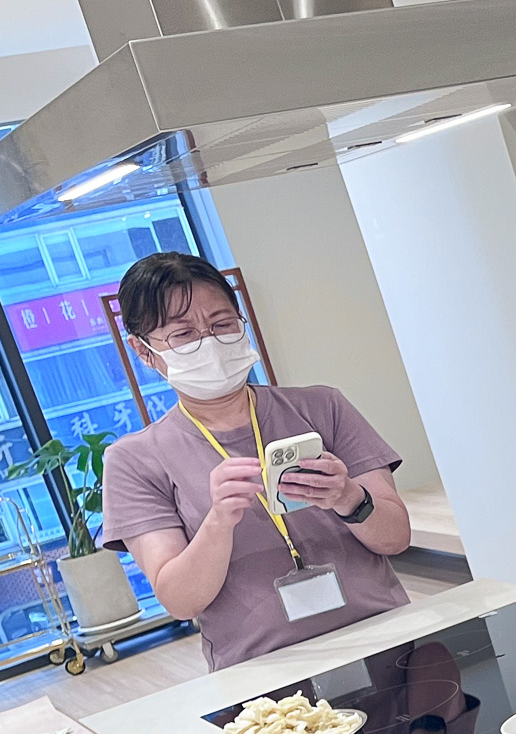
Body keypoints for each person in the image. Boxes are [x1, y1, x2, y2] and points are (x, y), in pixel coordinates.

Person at [100, 253, 412, 671]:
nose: (209, 343)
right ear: (143, 350)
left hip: (386, 639)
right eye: (184, 334)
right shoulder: (134, 460)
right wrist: (218, 523)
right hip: (262, 676)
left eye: (222, 324)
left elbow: (396, 538)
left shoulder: (322, 407)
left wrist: (349, 498)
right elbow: (180, 600)